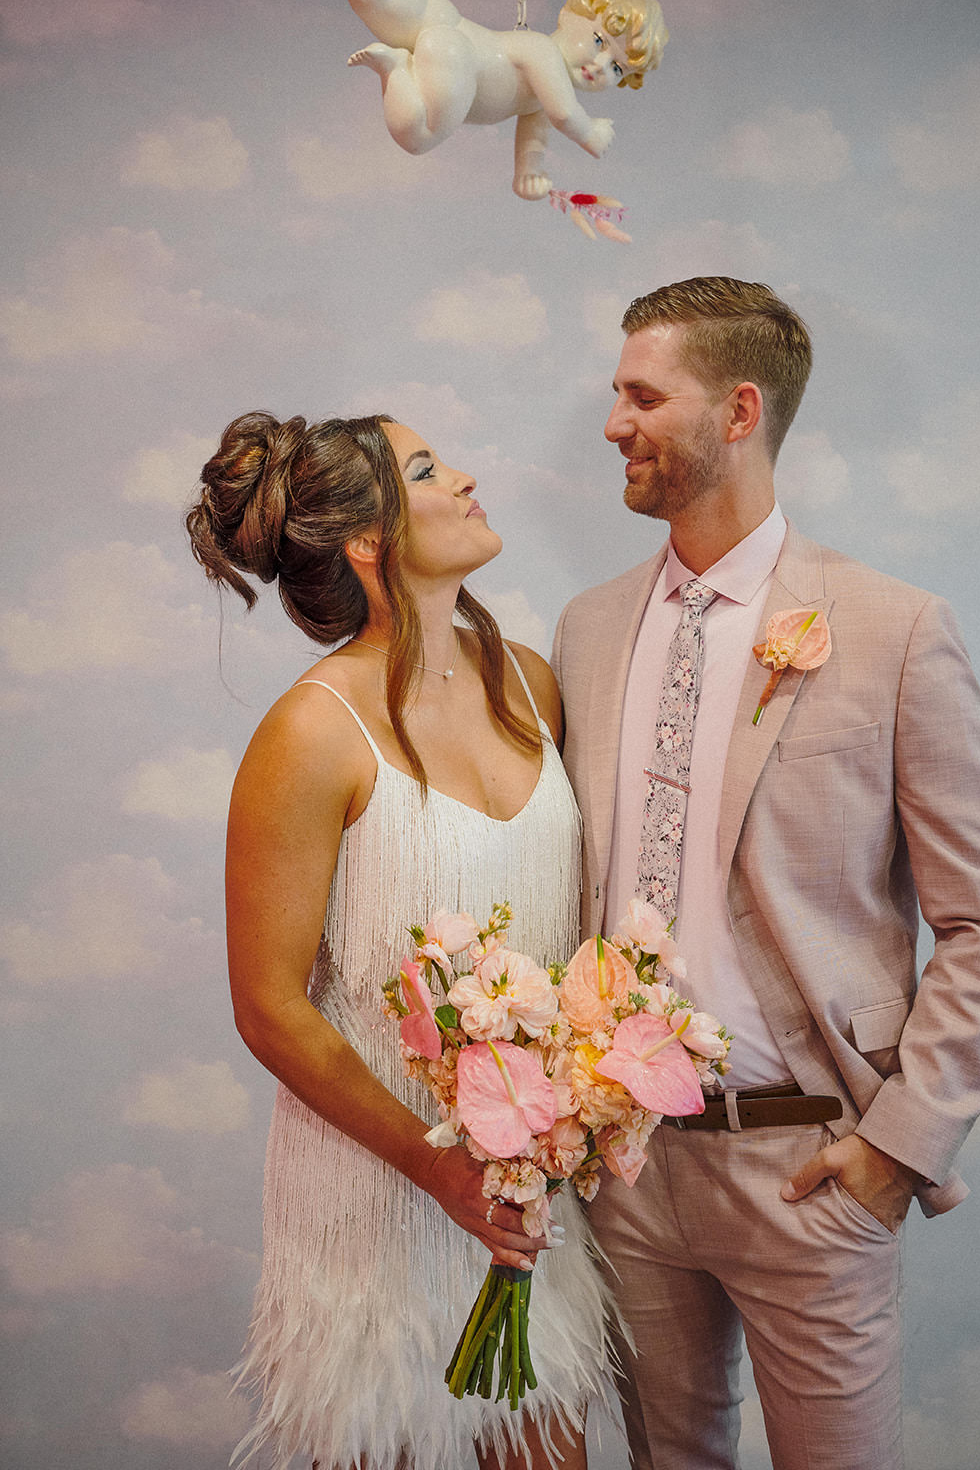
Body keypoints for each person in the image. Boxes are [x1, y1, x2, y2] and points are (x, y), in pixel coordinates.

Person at [551, 277, 980, 1470]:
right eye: (615, 393)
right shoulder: (585, 629)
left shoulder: (891, 629)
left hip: (811, 1162)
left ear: (737, 410)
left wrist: (898, 1145)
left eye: (641, 396)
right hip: (627, 1167)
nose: (612, 422)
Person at [186, 411, 614, 1470]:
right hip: (377, 1203)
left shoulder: (530, 683)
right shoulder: (309, 732)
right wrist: (438, 1170)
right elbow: (268, 1007)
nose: (463, 476)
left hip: (520, 1204)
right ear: (369, 543)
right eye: (426, 468)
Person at [289, 0, 667, 199]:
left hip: (449, 24)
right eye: (600, 41)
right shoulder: (542, 51)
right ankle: (396, 68)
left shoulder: (539, 92)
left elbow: (535, 129)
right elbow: (564, 114)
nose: (600, 67)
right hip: (457, 57)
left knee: (382, 1)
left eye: (617, 68)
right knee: (418, 137)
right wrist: (590, 134)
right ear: (570, 14)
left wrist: (527, 172)